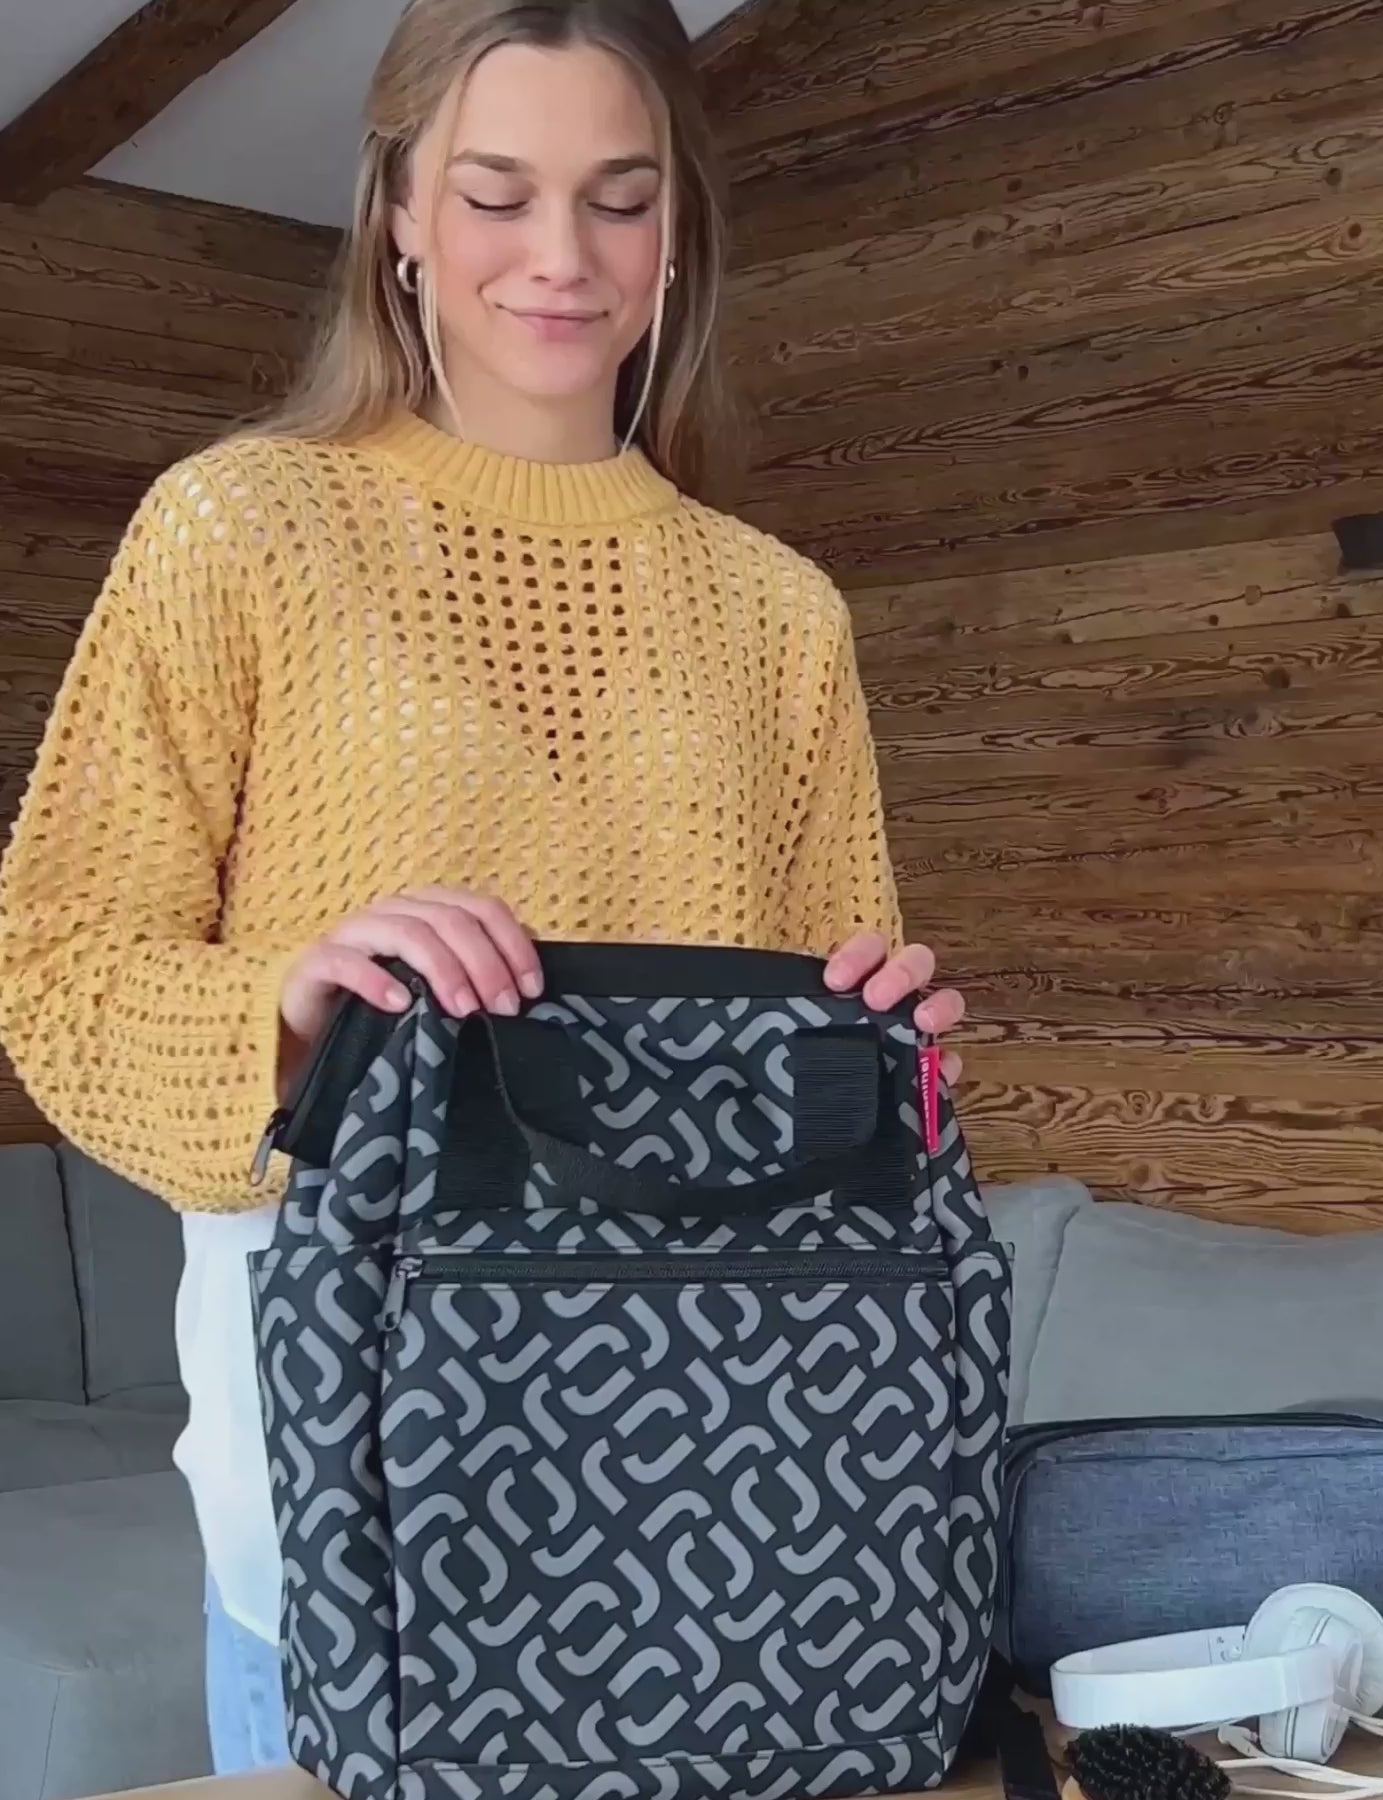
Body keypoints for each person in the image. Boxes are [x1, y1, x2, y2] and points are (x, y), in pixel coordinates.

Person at [0, 0, 968, 1773]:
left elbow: (821, 1071)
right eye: (496, 192)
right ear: (398, 214)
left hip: (727, 1494)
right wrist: (288, 1006)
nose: (560, 256)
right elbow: (52, 967)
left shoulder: (779, 613)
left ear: (678, 230)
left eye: (619, 196)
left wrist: (886, 1044)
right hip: (353, 1476)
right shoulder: (241, 529)